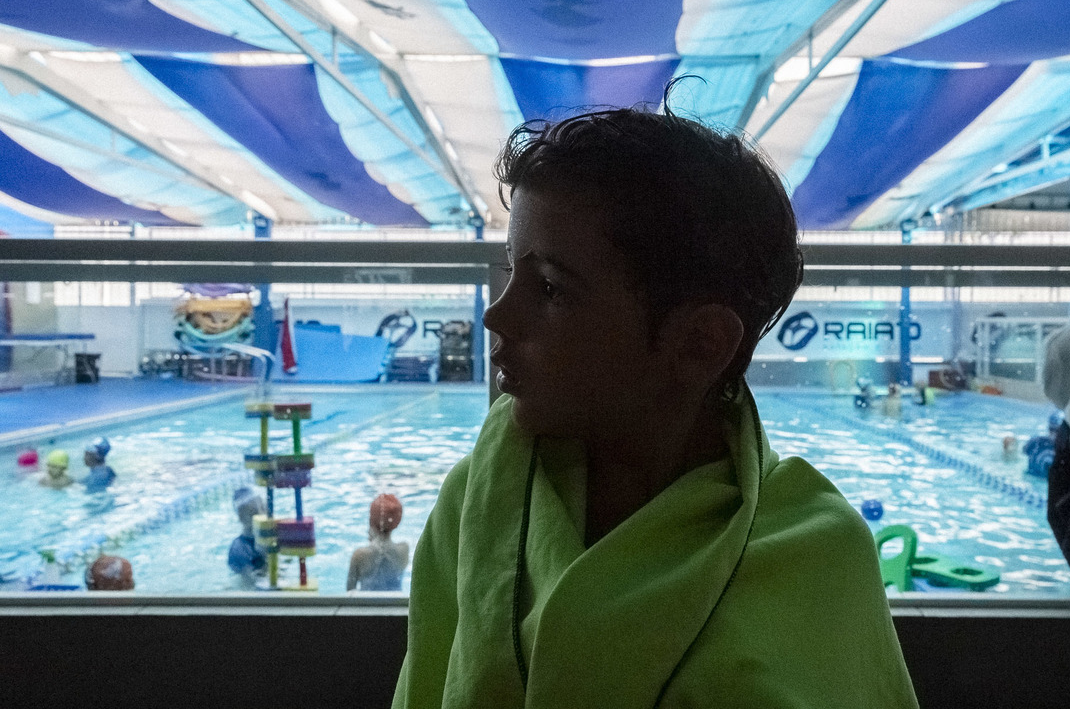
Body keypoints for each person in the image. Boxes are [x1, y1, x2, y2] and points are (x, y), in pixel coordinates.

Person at [393, 101, 918, 708]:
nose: (496, 315)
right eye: (512, 272)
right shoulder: (479, 500)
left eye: (551, 289)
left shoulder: (816, 557)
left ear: (699, 345)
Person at [346, 493, 410, 591]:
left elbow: (350, 591)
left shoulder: (359, 555)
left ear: (371, 520)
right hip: (395, 600)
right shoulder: (404, 550)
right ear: (397, 522)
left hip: (366, 601)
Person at [227, 486, 266, 588]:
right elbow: (251, 584)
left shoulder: (271, 538)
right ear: (241, 517)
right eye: (254, 512)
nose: (262, 515)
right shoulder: (239, 548)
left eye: (264, 508)